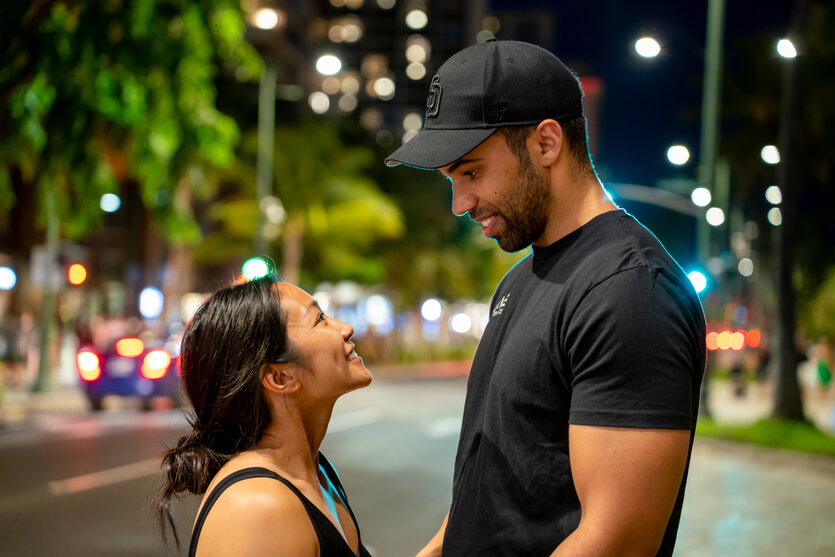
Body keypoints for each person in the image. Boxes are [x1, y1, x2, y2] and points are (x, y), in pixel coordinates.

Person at [385, 39, 706, 556]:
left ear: (546, 143)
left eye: (470, 172)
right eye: (451, 180)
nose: (459, 203)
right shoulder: (519, 281)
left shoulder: (627, 288)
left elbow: (617, 540)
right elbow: (488, 488)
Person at [156, 275, 373, 557]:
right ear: (280, 377)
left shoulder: (317, 474)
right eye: (320, 319)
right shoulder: (259, 506)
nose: (346, 328)